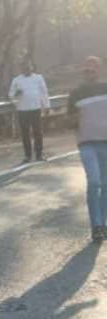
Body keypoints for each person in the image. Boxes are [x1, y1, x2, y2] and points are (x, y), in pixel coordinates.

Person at [68, 56, 107, 242]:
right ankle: (96, 225)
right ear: (82, 72)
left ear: (98, 70)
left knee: (106, 185)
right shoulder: (75, 94)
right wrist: (73, 119)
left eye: (93, 69)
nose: (89, 73)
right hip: (86, 143)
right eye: (86, 70)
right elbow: (68, 122)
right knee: (94, 182)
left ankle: (102, 225)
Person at [9, 59, 51, 162]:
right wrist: (16, 94)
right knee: (25, 134)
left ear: (32, 67)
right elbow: (10, 95)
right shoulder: (16, 80)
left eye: (29, 66)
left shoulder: (38, 78)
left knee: (38, 132)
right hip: (22, 110)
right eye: (24, 67)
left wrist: (46, 106)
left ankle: (39, 155)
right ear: (21, 69)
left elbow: (44, 92)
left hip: (35, 108)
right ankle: (27, 156)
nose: (27, 68)